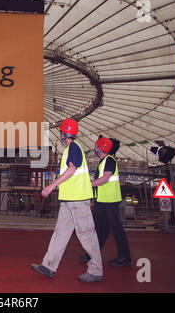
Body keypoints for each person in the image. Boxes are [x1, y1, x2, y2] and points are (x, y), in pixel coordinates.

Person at [31, 119, 103, 283]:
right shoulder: (72, 149)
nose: (61, 135)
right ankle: (49, 265)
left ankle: (96, 270)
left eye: (62, 133)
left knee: (86, 234)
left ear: (64, 134)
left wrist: (51, 186)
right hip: (70, 200)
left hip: (78, 200)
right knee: (61, 232)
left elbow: (72, 169)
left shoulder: (74, 148)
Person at [79, 137, 131, 267]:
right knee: (99, 229)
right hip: (102, 201)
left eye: (97, 146)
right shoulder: (104, 161)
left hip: (109, 201)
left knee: (115, 229)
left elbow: (105, 178)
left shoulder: (109, 161)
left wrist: (88, 185)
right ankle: (92, 254)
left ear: (101, 148)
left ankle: (124, 257)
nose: (95, 148)